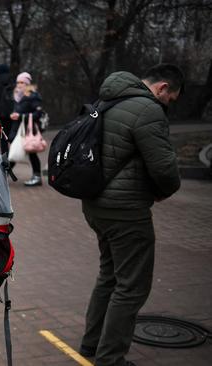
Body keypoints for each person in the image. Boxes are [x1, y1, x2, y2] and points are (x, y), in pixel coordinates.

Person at [78, 64, 183, 366]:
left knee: (109, 275)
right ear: (162, 88)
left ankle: (92, 343)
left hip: (95, 205)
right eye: (171, 99)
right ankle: (110, 359)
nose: (168, 105)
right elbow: (164, 167)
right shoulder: (147, 109)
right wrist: (165, 190)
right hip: (126, 211)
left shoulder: (107, 99)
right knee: (132, 286)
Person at [9, 71, 44, 186]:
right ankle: (3, 174)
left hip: (28, 131)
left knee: (29, 152)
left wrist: (20, 116)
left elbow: (38, 114)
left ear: (27, 83)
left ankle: (37, 177)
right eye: (18, 82)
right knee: (17, 151)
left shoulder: (32, 96)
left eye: (22, 82)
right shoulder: (19, 95)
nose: (19, 84)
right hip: (19, 129)